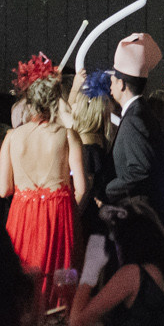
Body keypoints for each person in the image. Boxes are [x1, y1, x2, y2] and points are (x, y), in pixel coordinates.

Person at [0, 58, 83, 302]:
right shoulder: (67, 135)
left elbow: (4, 189)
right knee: (58, 285)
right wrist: (66, 206)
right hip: (58, 215)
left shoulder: (12, 137)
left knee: (24, 284)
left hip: (21, 216)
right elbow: (82, 187)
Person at [104, 35, 164, 230]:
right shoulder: (141, 111)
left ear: (123, 84)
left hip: (139, 214)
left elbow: (139, 169)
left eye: (113, 81)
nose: (110, 86)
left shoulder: (134, 118)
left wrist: (106, 190)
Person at [58, 71, 116, 238]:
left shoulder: (86, 147)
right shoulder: (94, 146)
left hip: (87, 223)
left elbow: (83, 193)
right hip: (93, 223)